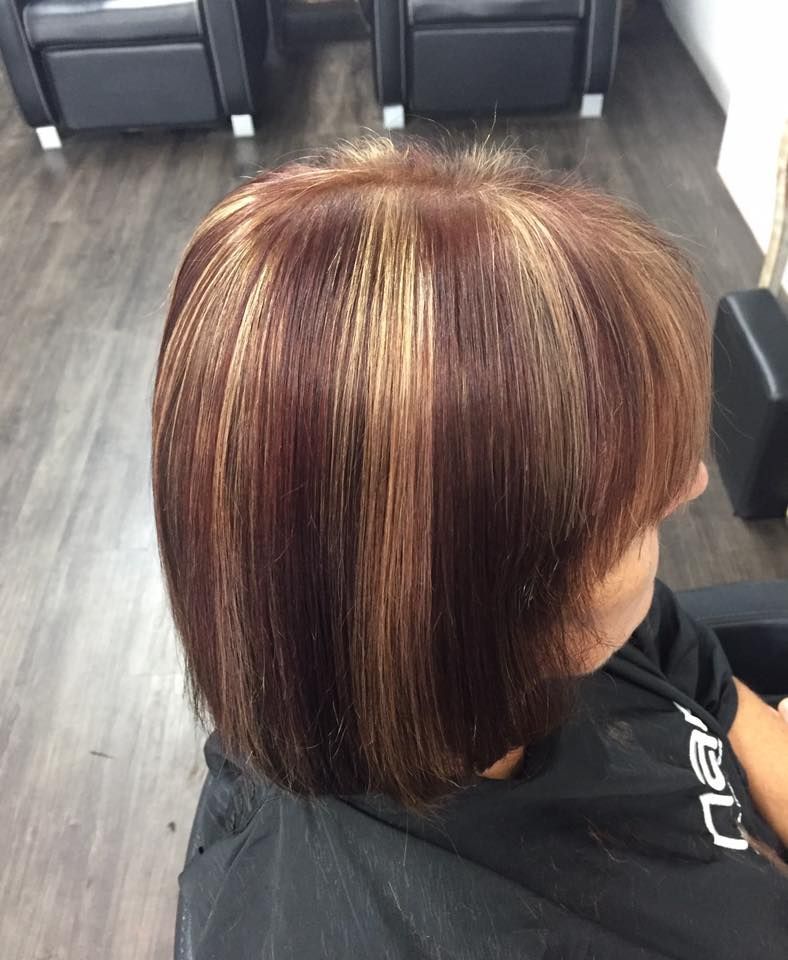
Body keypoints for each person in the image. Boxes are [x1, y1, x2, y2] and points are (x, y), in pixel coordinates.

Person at [152, 139, 788, 959]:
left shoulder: (599, 624)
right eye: (640, 511)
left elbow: (720, 700)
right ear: (469, 603)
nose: (692, 484)